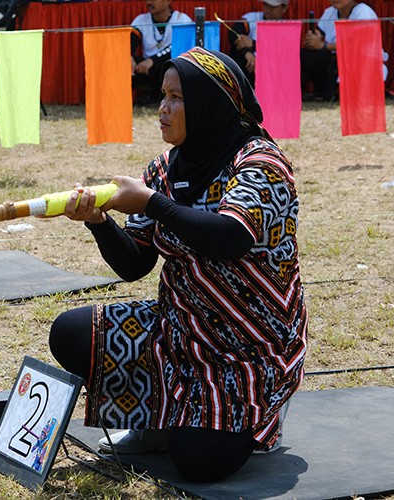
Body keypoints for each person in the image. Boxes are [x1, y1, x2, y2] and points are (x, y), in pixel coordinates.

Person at [48, 47, 307, 483]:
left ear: (210, 104)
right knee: (71, 333)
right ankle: (158, 419)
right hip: (181, 331)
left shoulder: (262, 164)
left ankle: (265, 410)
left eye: (177, 98)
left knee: (199, 463)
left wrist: (152, 202)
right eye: (162, 96)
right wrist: (99, 221)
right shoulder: (164, 168)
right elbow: (135, 263)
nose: (162, 109)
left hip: (248, 347)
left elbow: (230, 237)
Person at [301, 0, 388, 101]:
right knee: (304, 55)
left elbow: (356, 45)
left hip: (361, 62)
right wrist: (313, 39)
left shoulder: (363, 12)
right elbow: (320, 35)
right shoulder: (329, 12)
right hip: (336, 61)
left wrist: (323, 45)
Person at [130, 0, 192, 105]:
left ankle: (160, 95)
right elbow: (130, 42)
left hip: (171, 65)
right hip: (146, 68)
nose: (149, 2)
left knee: (172, 64)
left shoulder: (182, 19)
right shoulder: (141, 20)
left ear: (167, 1)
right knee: (125, 62)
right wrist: (129, 56)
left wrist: (153, 60)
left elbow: (179, 47)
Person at [228, 0, 290, 87]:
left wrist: (253, 44)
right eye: (266, 5)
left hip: (272, 72)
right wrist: (247, 51)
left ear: (284, 8)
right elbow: (234, 33)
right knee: (238, 50)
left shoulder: (287, 28)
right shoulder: (252, 18)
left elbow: (280, 51)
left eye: (273, 7)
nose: (268, 10)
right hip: (250, 67)